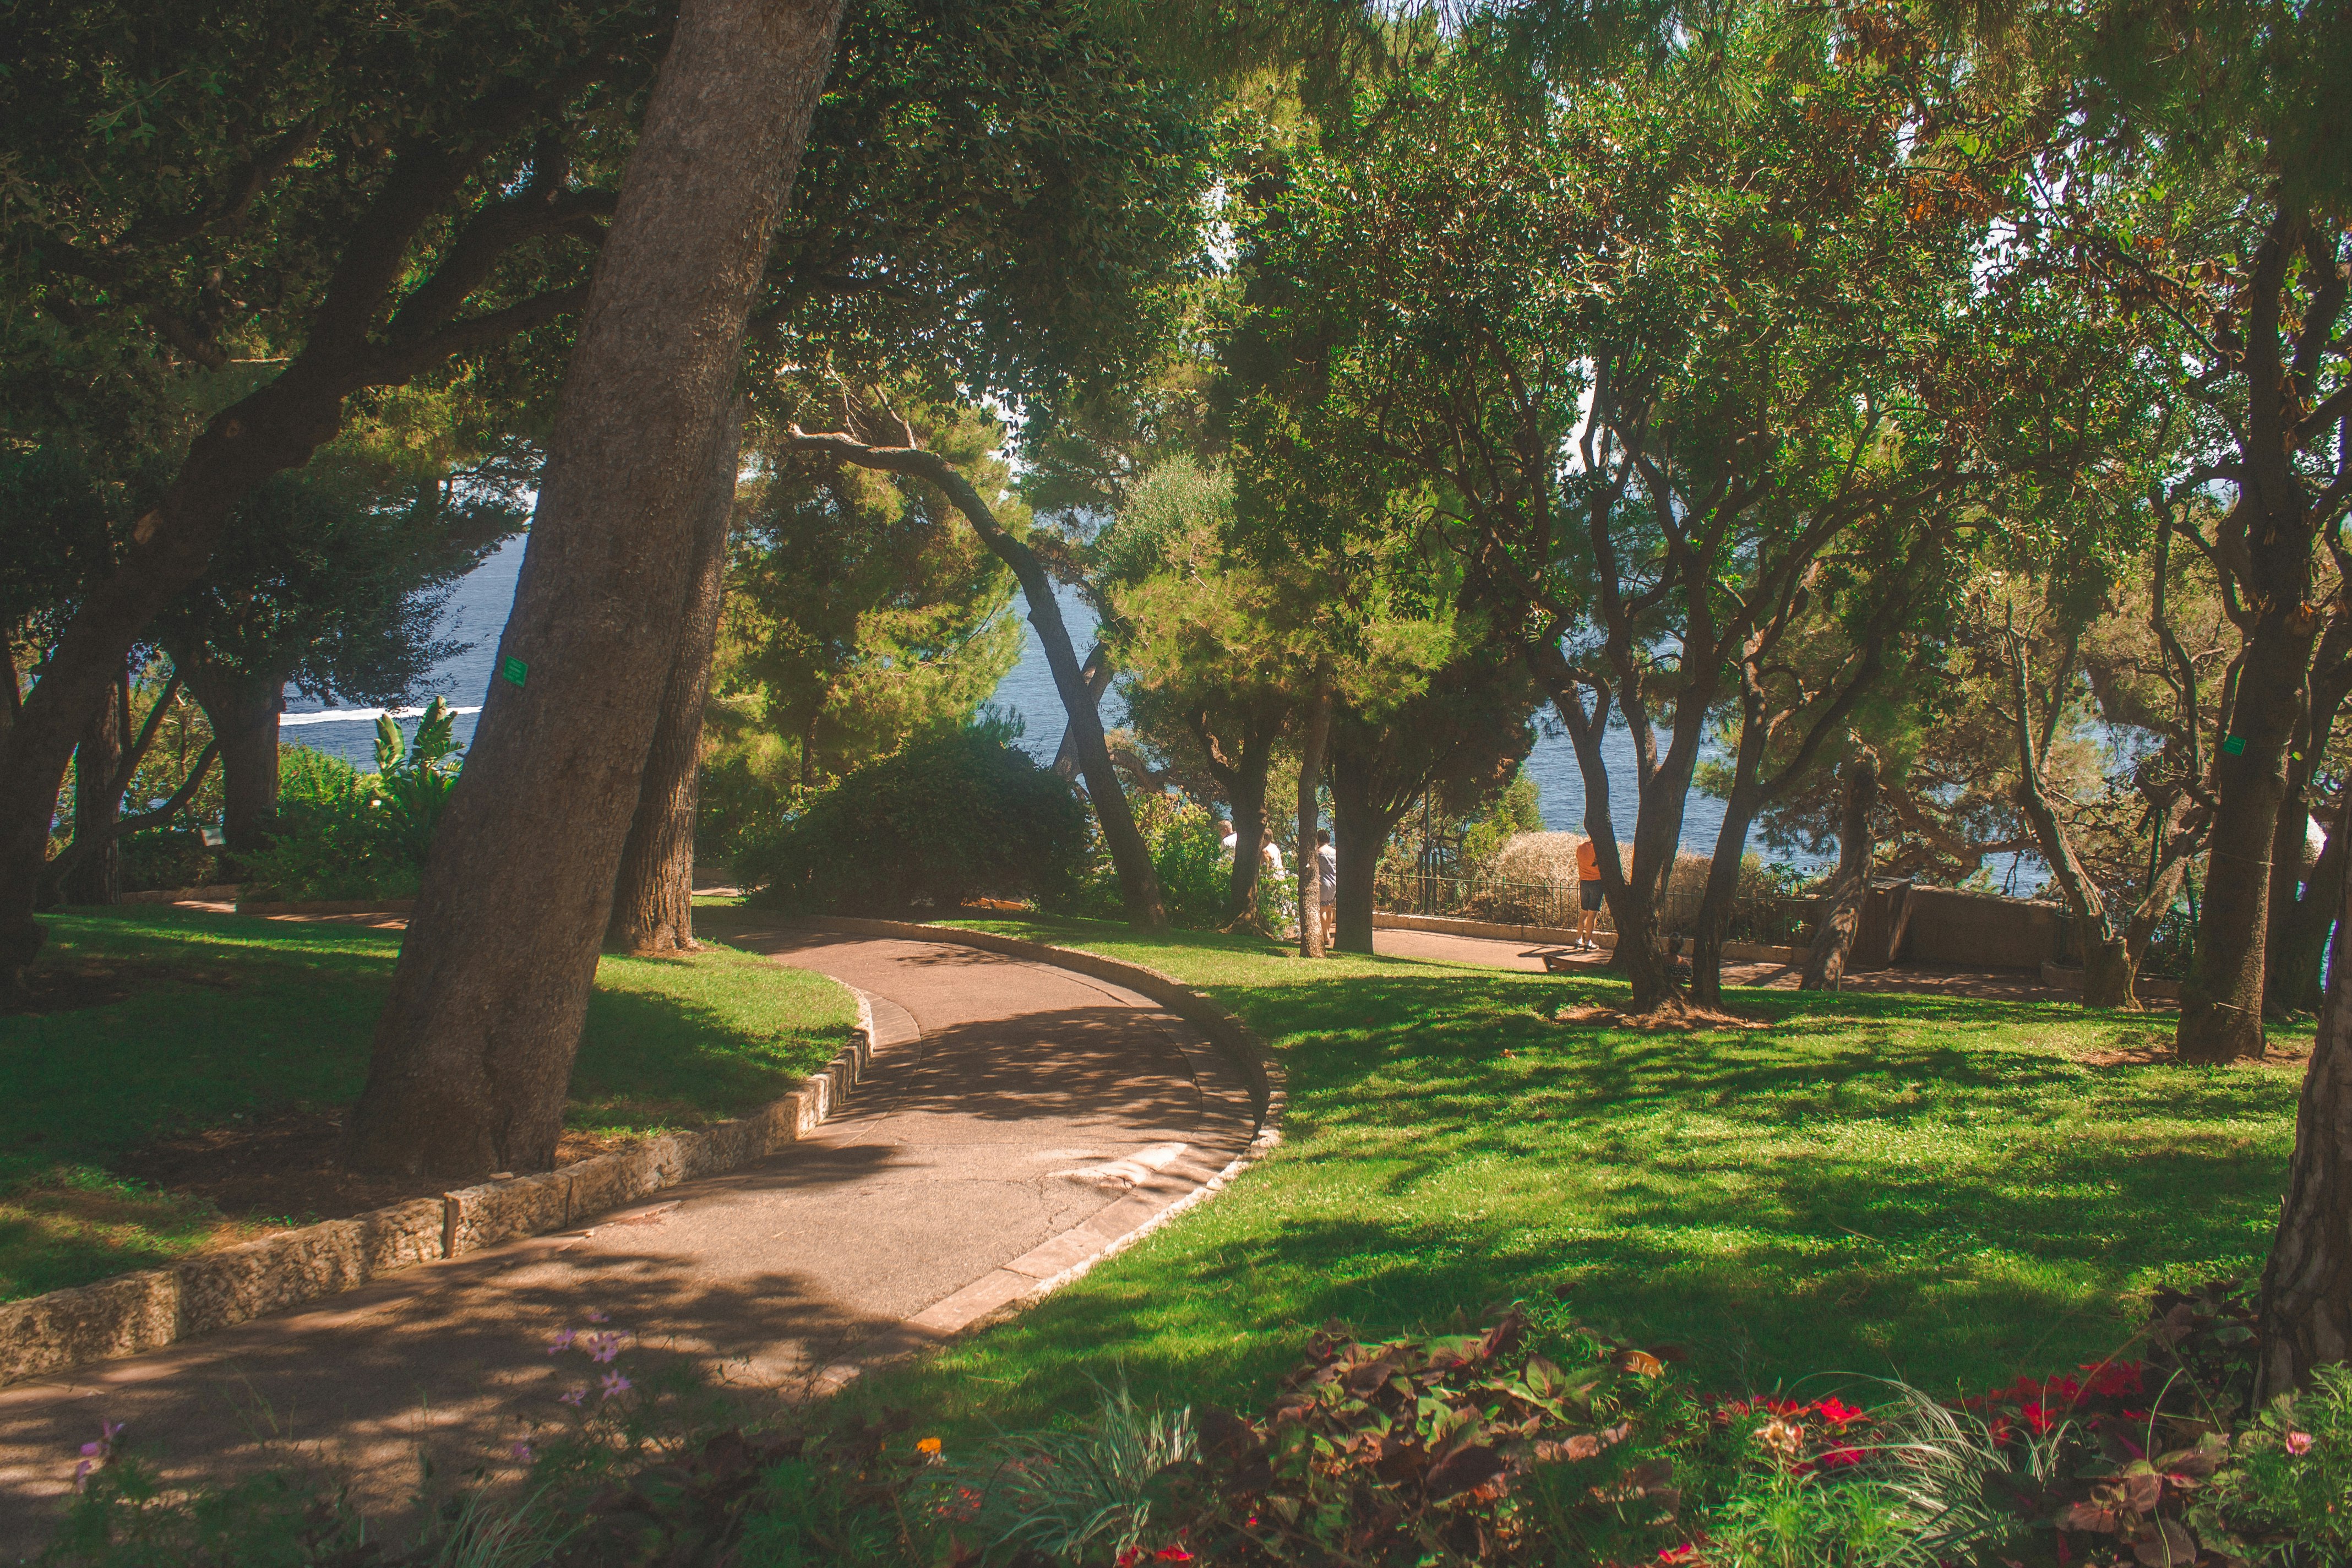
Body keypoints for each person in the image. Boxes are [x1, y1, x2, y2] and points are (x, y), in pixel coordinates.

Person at [1575, 835, 1605, 951]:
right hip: (1596, 883)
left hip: (1584, 882)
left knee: (1583, 912)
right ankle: (1588, 942)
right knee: (1592, 915)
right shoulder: (1599, 849)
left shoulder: (1581, 848)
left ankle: (1578, 940)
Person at [1315, 828, 1338, 947]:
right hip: (1334, 883)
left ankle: (1325, 935)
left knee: (1322, 908)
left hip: (1323, 883)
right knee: (1330, 908)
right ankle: (1328, 931)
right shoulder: (1334, 852)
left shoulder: (1318, 852)